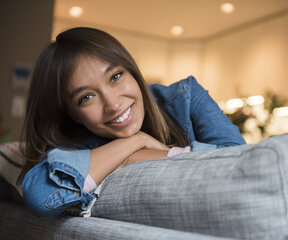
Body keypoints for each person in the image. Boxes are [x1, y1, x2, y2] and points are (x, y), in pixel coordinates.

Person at [19, 27, 246, 218]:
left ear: (133, 72)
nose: (113, 104)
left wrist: (141, 155)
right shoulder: (76, 141)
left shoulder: (186, 97)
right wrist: (135, 144)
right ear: (73, 114)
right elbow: (41, 197)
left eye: (115, 77)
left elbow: (243, 164)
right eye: (86, 98)